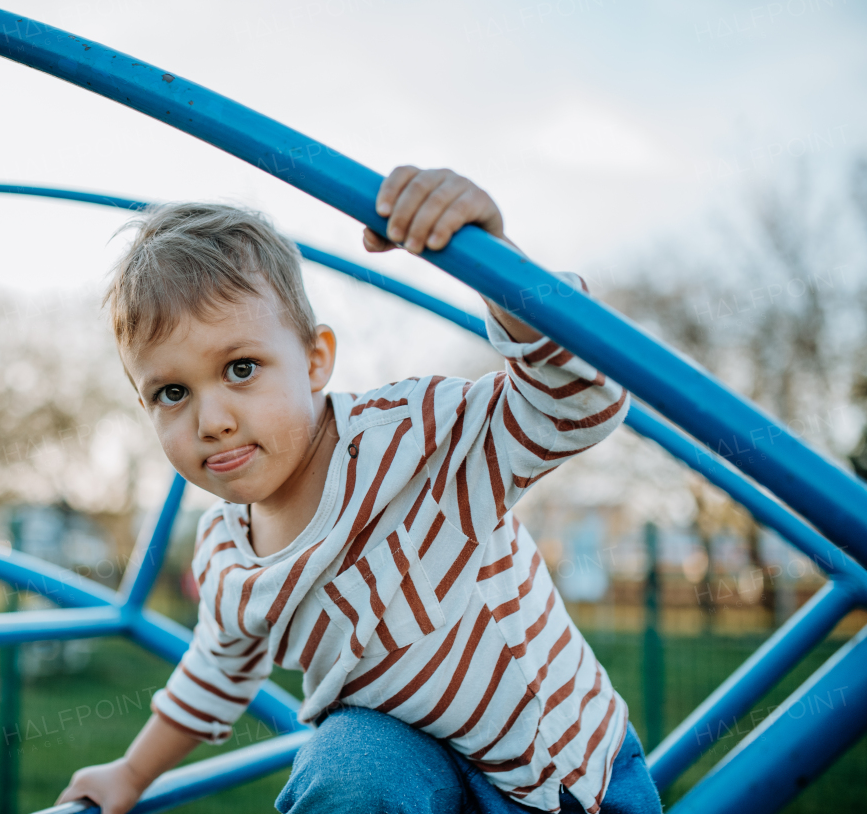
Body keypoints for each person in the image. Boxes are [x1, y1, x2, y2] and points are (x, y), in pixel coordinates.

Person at [54, 167, 662, 814]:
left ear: (315, 360)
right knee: (343, 765)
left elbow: (579, 404)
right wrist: (130, 771)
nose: (212, 420)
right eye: (172, 392)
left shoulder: (414, 438)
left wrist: (500, 268)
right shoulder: (229, 553)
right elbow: (215, 671)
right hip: (408, 769)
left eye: (241, 368)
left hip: (557, 774)